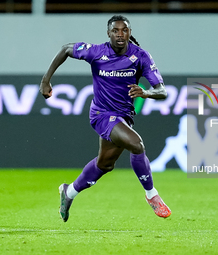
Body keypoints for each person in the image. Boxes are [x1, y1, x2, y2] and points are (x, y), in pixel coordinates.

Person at [39, 15, 171, 222]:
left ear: (129, 32)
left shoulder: (141, 56)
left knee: (105, 165)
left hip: (123, 117)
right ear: (108, 33)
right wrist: (46, 81)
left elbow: (162, 91)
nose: (120, 34)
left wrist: (146, 94)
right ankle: (151, 195)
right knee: (136, 145)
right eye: (116, 30)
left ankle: (69, 192)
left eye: (124, 30)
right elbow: (66, 49)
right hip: (101, 114)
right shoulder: (97, 52)